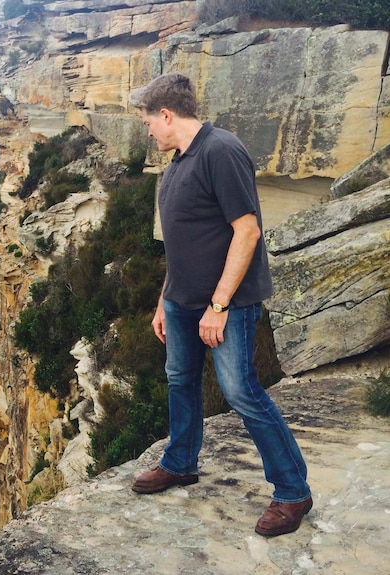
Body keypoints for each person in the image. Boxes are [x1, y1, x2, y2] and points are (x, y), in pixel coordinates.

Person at [128, 72, 312, 537]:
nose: (147, 130)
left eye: (149, 121)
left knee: (240, 392)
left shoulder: (221, 151)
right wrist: (162, 301)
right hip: (181, 301)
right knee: (180, 381)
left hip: (225, 304)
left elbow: (247, 231)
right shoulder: (178, 161)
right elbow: (183, 242)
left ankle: (292, 492)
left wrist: (220, 304)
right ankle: (181, 463)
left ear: (167, 115)